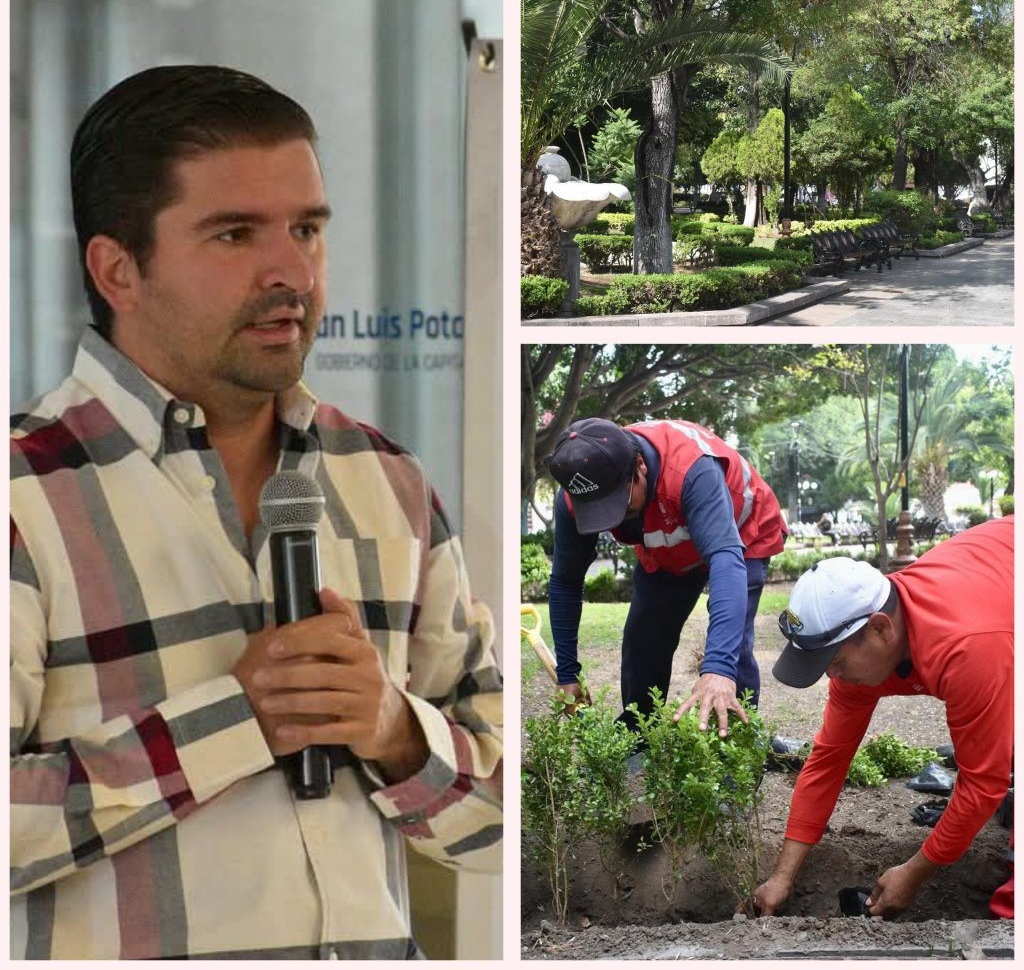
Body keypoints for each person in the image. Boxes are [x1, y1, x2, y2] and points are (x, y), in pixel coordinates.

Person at [10, 65, 502, 959]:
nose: (291, 272)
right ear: (117, 268)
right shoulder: (23, 496)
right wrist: (235, 723)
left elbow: (503, 814)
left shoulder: (386, 478)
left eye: (307, 229)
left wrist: (393, 731)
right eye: (235, 234)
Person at [753, 517, 1013, 919]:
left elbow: (982, 783)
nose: (831, 676)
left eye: (834, 661)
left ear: (879, 629)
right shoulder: (864, 653)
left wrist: (915, 871)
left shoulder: (968, 649)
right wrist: (781, 878)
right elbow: (827, 762)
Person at [546, 417, 786, 736]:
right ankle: (639, 732)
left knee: (732, 644)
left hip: (741, 535)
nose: (612, 518)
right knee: (644, 637)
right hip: (667, 543)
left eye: (618, 502)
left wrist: (717, 669)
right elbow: (565, 582)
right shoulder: (576, 494)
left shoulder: (689, 470)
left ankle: (734, 742)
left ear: (640, 466)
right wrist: (567, 674)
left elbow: (725, 560)